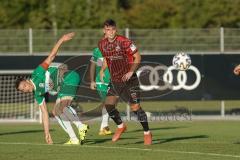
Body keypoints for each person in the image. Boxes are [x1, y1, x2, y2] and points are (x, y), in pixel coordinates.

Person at [15, 32, 89, 145]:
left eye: (24, 85)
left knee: (59, 108)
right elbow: (45, 114)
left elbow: (51, 56)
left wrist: (61, 39)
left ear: (26, 81)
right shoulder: (37, 95)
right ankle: (74, 139)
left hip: (68, 77)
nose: (26, 89)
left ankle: (80, 126)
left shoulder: (37, 74)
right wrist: (47, 133)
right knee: (56, 112)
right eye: (23, 90)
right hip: (64, 86)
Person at [98, 19, 152, 145]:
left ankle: (147, 133)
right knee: (109, 106)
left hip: (130, 80)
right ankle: (121, 126)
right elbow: (107, 57)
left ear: (116, 30)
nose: (110, 32)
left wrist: (131, 71)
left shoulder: (124, 41)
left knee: (135, 108)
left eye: (112, 29)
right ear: (104, 31)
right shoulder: (101, 44)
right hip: (115, 80)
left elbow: (137, 57)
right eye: (107, 30)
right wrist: (102, 69)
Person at [89, 47, 112, 136]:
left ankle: (104, 126)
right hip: (101, 80)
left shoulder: (115, 48)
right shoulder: (97, 50)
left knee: (111, 103)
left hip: (112, 80)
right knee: (107, 102)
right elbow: (93, 65)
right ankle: (104, 126)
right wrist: (92, 81)